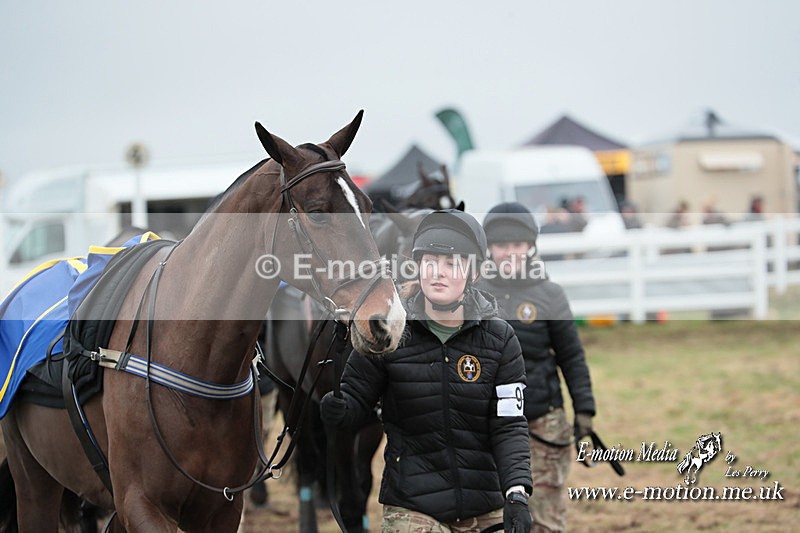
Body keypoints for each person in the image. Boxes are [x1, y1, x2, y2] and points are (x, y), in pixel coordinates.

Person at [320, 209, 533, 533]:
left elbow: (509, 425)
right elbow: (355, 403)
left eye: (452, 264)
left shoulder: (500, 339)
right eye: (430, 262)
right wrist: (339, 408)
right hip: (412, 506)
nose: (439, 273)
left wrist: (517, 492)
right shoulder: (390, 333)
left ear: (473, 273)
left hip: (485, 503)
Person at [476, 202, 596, 533]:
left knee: (544, 518)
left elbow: (571, 355)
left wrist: (584, 409)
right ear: (489, 248)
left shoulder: (550, 295)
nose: (509, 253)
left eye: (517, 245)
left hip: (543, 420)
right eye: (501, 245)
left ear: (530, 247)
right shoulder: (473, 294)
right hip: (489, 424)